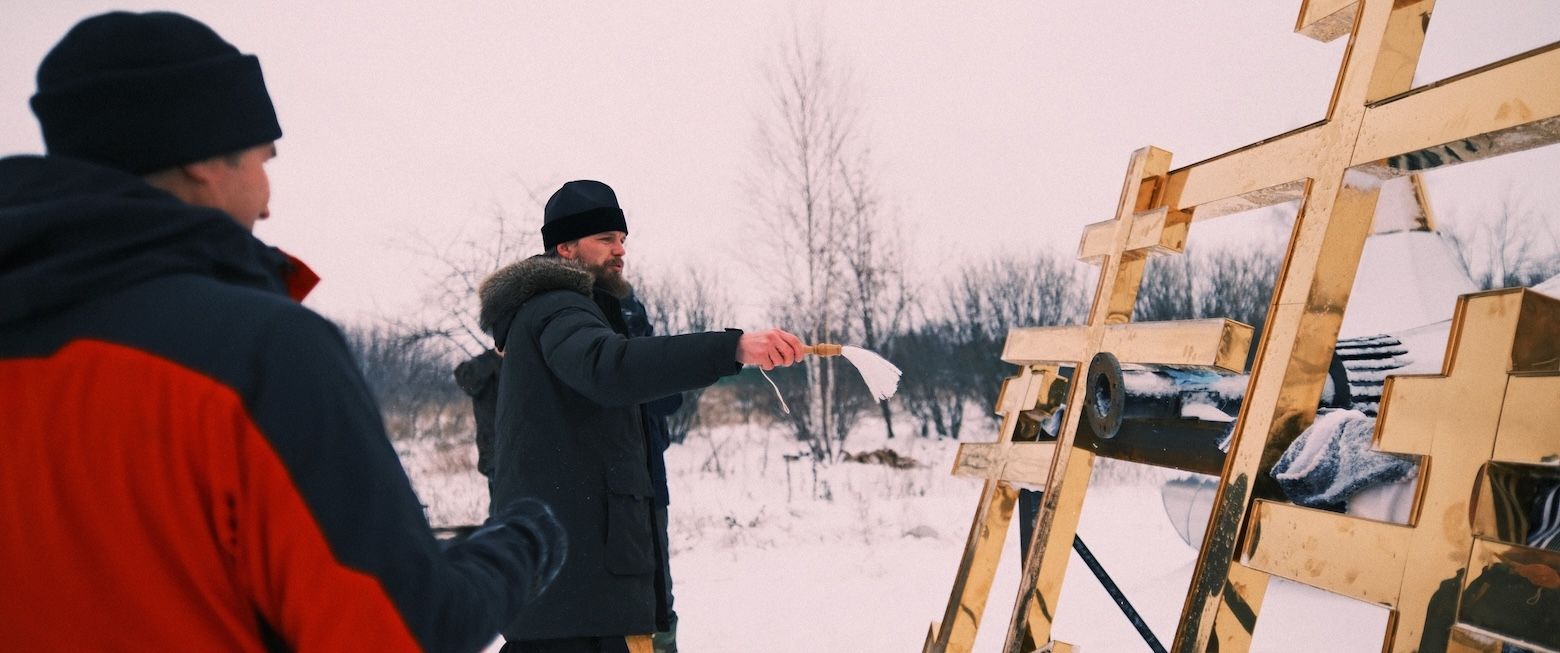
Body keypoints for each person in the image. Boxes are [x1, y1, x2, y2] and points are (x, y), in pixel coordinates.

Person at [0, 12, 565, 652]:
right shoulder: (256, 354)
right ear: (203, 159)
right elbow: (398, 632)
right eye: (263, 160)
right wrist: (521, 544)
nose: (268, 202)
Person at [478, 180, 805, 653]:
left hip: (577, 581)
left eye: (622, 239)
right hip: (577, 592)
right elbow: (608, 367)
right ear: (565, 247)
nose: (620, 250)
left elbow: (637, 394)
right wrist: (732, 347)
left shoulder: (577, 309)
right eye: (605, 239)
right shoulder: (557, 306)